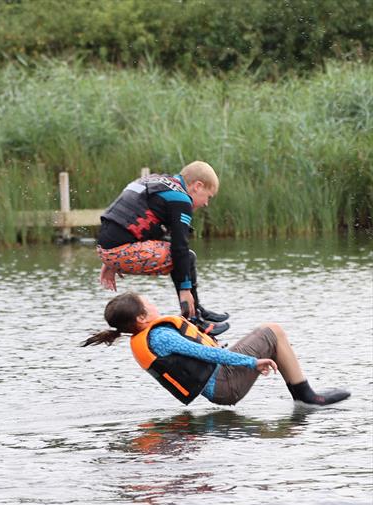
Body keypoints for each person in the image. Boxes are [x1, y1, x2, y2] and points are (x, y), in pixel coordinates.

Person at [82, 292, 350, 407]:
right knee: (273, 331)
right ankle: (308, 398)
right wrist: (250, 362)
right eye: (148, 303)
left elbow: (201, 349)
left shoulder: (152, 334)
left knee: (270, 334)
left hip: (220, 382)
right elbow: (205, 354)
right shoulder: (160, 337)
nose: (153, 304)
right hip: (225, 385)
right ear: (141, 318)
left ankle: (303, 396)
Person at [97, 161, 229, 335]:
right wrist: (184, 289)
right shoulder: (181, 199)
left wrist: (108, 261)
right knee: (186, 256)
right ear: (197, 186)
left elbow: (125, 219)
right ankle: (194, 318)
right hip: (119, 250)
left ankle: (197, 311)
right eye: (208, 196)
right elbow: (179, 247)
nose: (206, 203)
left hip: (108, 246)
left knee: (176, 249)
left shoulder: (157, 182)